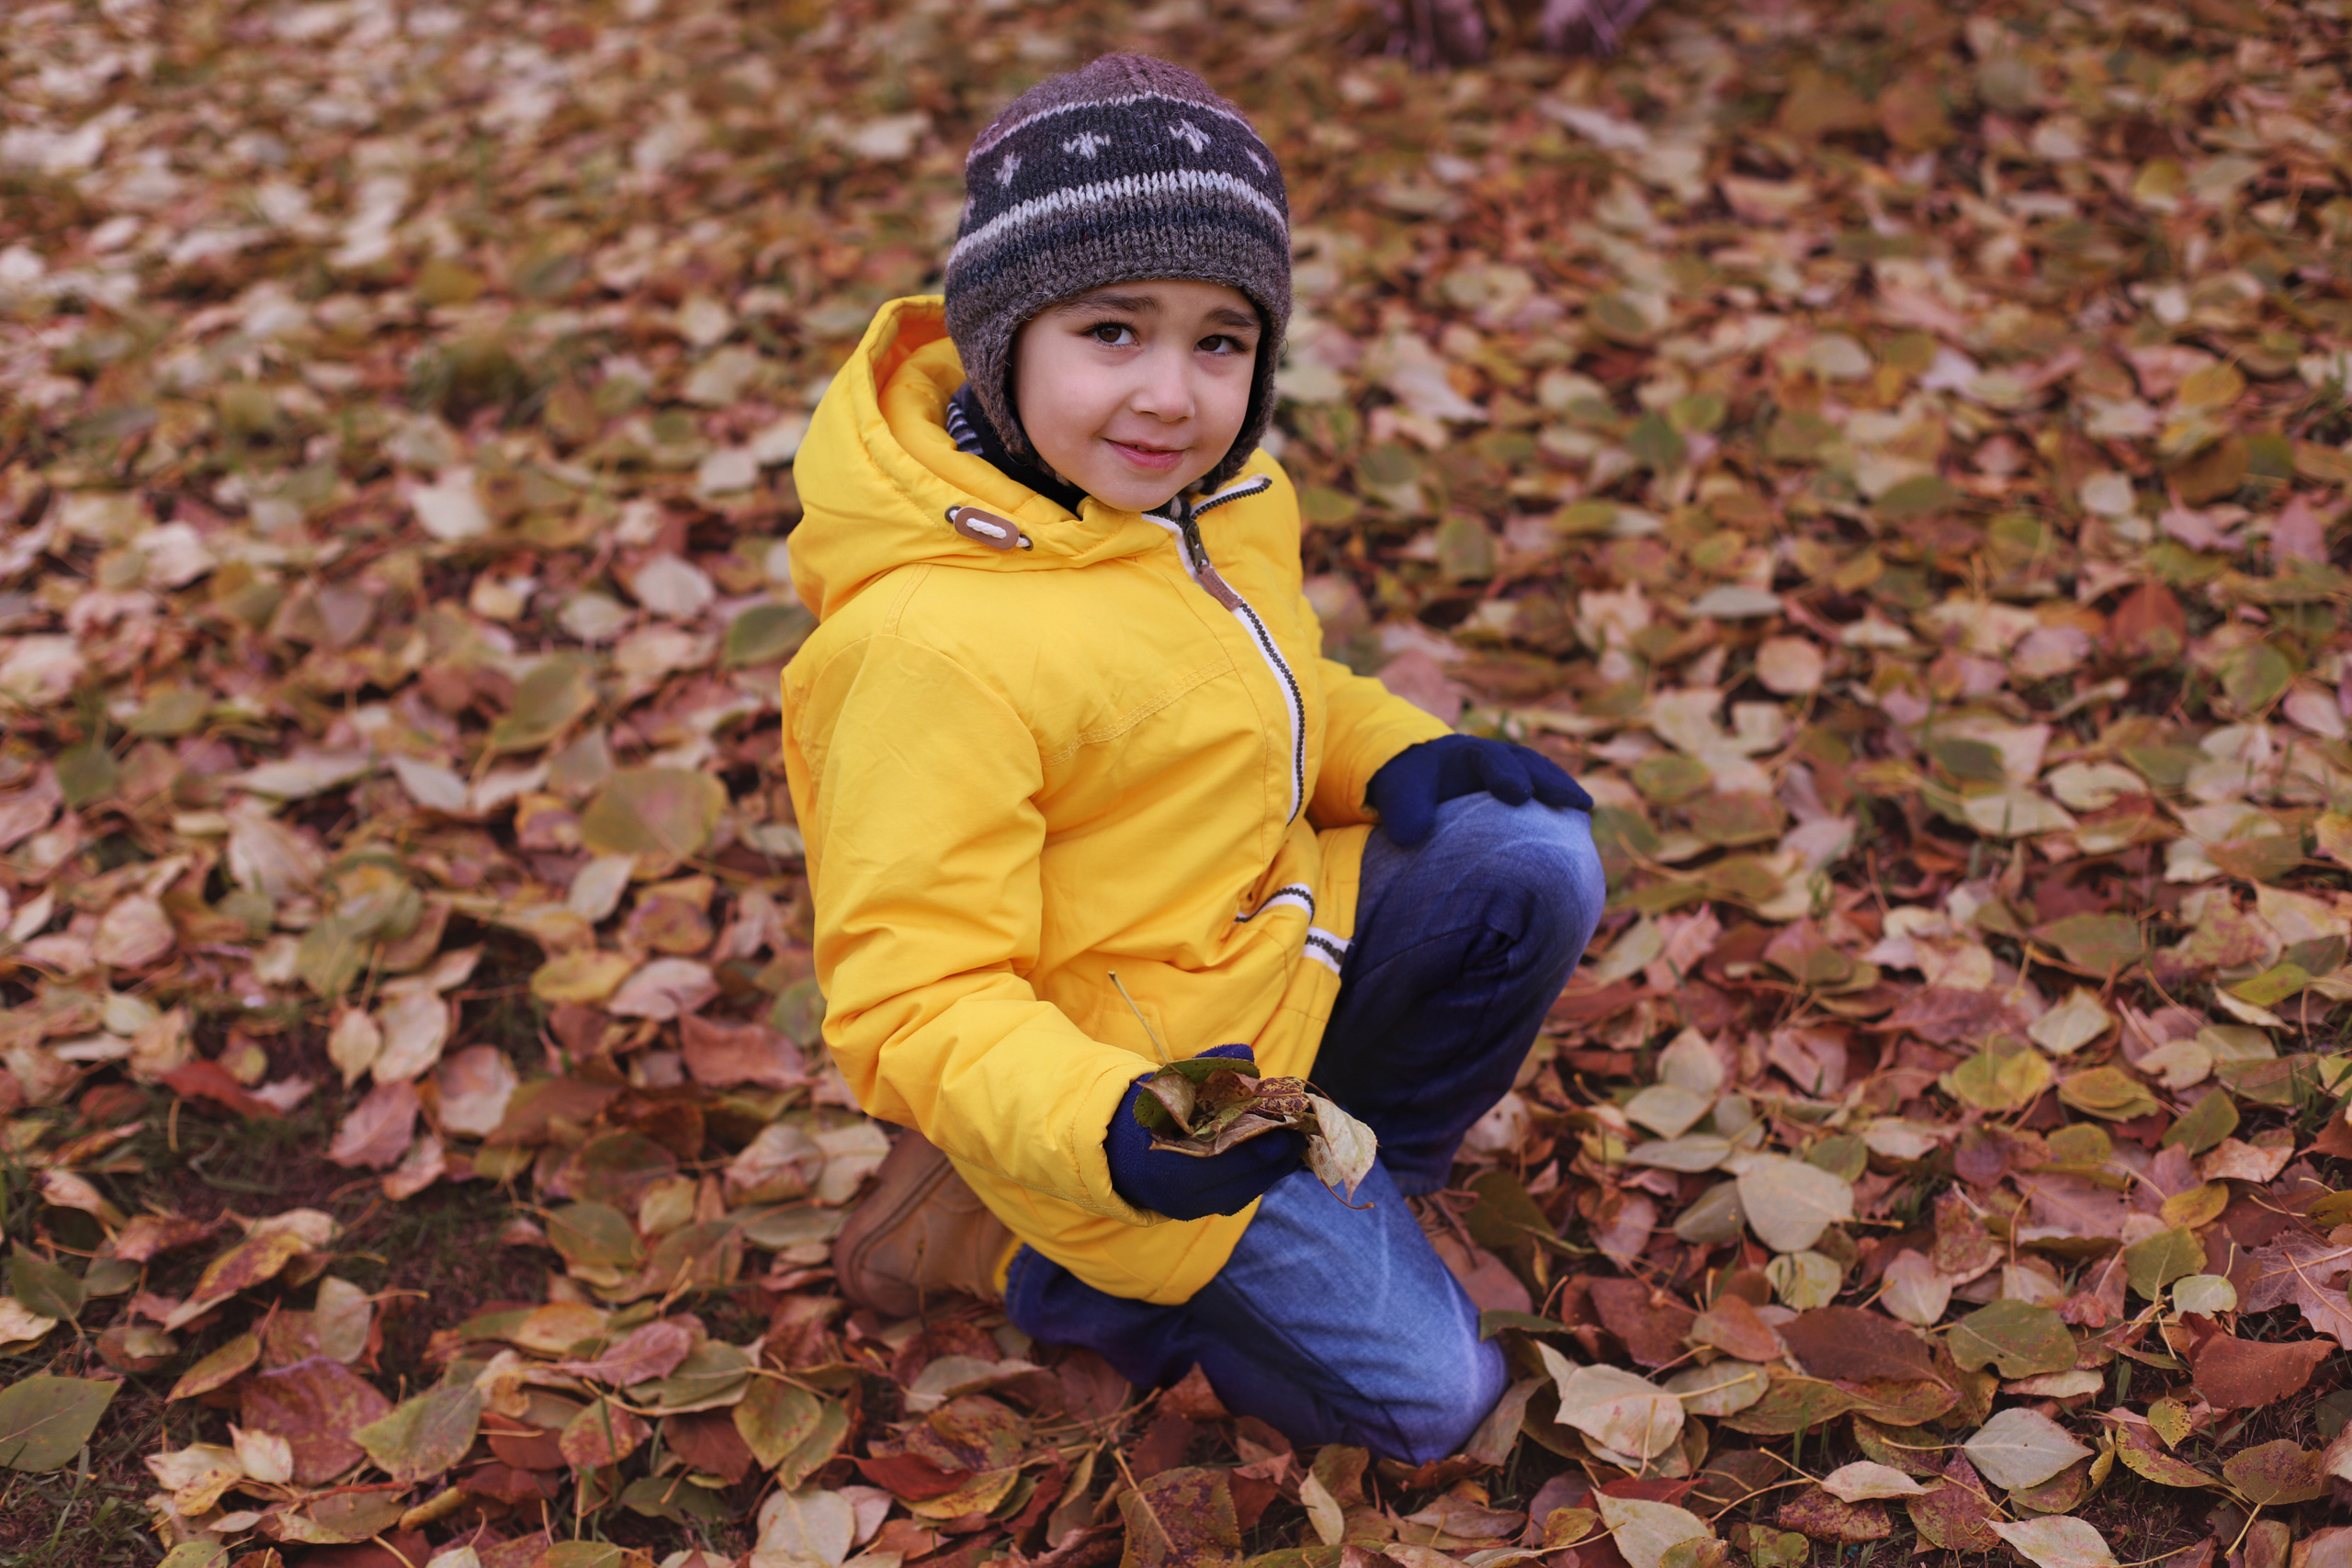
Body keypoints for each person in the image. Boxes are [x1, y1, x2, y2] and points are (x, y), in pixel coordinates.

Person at [780, 53, 1604, 1463]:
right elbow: (912, 995)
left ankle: (1377, 1180)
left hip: (1265, 958)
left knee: (1528, 855)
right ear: (1004, 337)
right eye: (1114, 330)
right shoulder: (931, 645)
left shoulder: (1203, 499)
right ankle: (1015, 1247)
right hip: (1121, 1095)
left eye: (1221, 341)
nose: (1172, 393)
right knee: (1433, 1410)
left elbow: (1252, 696)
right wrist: (1104, 1121)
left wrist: (1399, 752)